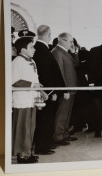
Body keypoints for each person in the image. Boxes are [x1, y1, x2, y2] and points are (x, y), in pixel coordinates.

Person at [33, 25, 69, 154]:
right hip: (47, 93)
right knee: (45, 120)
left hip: (47, 91)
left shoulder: (40, 48)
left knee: (46, 119)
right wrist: (53, 92)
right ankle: (42, 146)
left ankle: (46, 143)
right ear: (48, 35)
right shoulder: (42, 49)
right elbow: (47, 73)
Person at [12, 37, 47, 163]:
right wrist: (33, 85)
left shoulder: (32, 61)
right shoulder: (17, 61)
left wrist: (41, 92)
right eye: (31, 47)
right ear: (23, 49)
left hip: (31, 99)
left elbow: (35, 80)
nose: (34, 49)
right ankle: (22, 155)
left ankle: (28, 152)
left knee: (30, 127)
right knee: (23, 128)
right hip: (22, 101)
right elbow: (14, 81)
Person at [52, 32, 80, 144]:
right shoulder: (57, 52)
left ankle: (65, 133)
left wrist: (74, 53)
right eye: (71, 41)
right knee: (62, 113)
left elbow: (76, 64)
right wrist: (64, 90)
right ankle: (58, 136)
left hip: (71, 89)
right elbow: (60, 73)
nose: (72, 44)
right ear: (63, 40)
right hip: (66, 89)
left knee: (67, 113)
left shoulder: (65, 52)